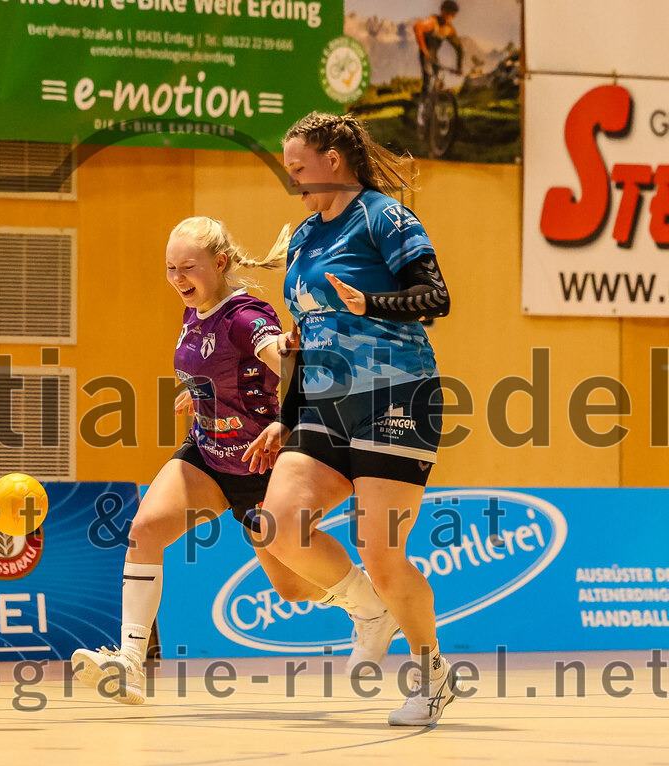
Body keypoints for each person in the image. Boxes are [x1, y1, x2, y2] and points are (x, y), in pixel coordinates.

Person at [72, 216, 393, 704]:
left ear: (219, 263)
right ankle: (130, 664)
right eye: (170, 268)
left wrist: (285, 420)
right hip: (208, 453)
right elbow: (223, 369)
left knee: (292, 587)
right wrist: (205, 392)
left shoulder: (246, 317)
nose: (177, 278)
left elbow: (297, 371)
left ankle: (370, 607)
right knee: (145, 530)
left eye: (188, 267)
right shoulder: (195, 312)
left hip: (261, 464)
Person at [245, 111, 456, 726]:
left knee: (381, 552)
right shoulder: (305, 237)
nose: (292, 179)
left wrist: (372, 303)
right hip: (323, 404)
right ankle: (368, 608)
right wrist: (286, 417)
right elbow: (308, 336)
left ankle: (433, 675)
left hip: (397, 396)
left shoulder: (384, 217)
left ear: (333, 161)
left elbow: (436, 298)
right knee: (277, 525)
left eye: (298, 167)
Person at [414, 0, 464, 97]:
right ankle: (423, 103)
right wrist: (423, 49)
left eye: (452, 15)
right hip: (425, 55)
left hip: (434, 57)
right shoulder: (432, 21)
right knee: (428, 78)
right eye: (448, 13)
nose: (449, 16)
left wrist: (459, 67)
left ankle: (433, 102)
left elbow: (459, 48)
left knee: (437, 81)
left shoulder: (449, 29)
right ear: (442, 11)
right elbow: (417, 27)